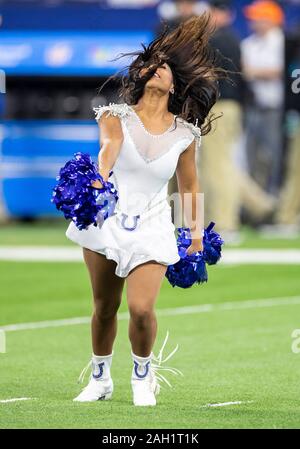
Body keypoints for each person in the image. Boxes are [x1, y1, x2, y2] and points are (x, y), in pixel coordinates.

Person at [65, 14, 222, 407]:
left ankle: (142, 374)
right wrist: (98, 179)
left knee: (140, 309)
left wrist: (197, 236)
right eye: (150, 64)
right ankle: (100, 378)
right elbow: (108, 151)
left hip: (153, 223)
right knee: (104, 307)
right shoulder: (115, 117)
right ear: (140, 75)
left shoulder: (185, 134)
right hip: (108, 219)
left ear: (174, 83)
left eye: (164, 66)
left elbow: (189, 186)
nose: (156, 70)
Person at [241, 0, 285, 195]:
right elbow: (242, 71)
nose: (253, 21)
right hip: (253, 105)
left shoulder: (282, 41)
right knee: (252, 155)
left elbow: (281, 72)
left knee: (274, 155)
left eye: (258, 17)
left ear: (271, 20)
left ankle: (275, 197)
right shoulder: (249, 43)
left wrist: (253, 72)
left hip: (275, 107)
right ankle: (257, 205)